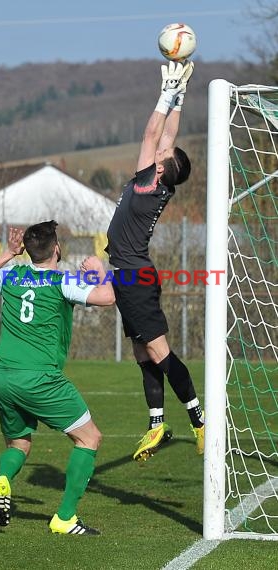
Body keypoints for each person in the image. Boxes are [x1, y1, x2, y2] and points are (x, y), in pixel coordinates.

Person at [0, 221, 115, 534]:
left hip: (4, 376)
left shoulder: (12, 274)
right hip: (40, 379)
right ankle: (64, 518)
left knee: (19, 443)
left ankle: (3, 480)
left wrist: (9, 253)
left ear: (28, 250)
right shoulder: (62, 281)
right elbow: (107, 297)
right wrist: (100, 269)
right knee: (89, 438)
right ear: (56, 249)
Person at [105, 60, 205, 462]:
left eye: (162, 153)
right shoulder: (158, 182)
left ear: (161, 166)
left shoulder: (147, 183)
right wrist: (180, 93)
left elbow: (152, 132)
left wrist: (165, 91)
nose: (159, 147)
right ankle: (156, 425)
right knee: (143, 353)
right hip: (130, 275)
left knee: (160, 353)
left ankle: (201, 422)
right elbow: (168, 135)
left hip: (134, 278)